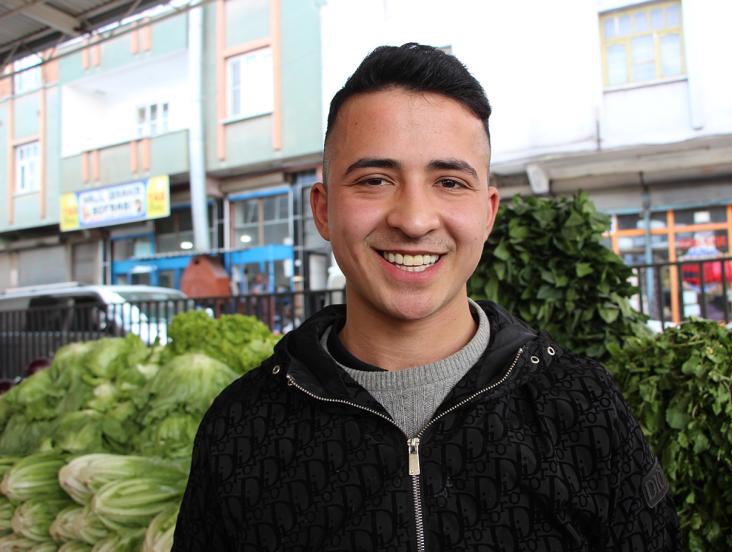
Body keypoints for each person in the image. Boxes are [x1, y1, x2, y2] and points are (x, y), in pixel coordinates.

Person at [172, 43, 681, 551]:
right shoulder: (240, 427)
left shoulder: (581, 405)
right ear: (323, 211)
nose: (414, 220)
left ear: (487, 212)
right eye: (375, 180)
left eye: (450, 182)